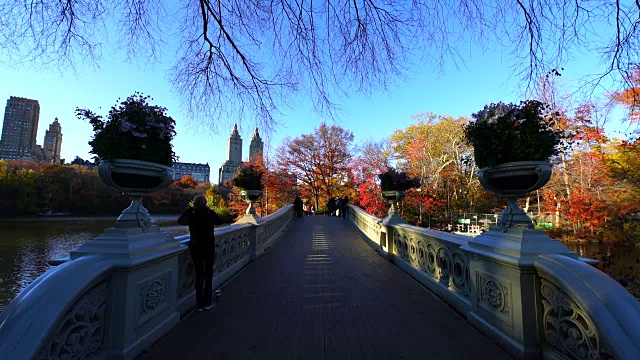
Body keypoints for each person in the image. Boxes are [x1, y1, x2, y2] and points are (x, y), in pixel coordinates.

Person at [178, 195, 223, 312]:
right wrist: (210, 210)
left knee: (199, 276)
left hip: (196, 248)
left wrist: (189, 210)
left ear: (194, 204)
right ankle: (207, 302)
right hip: (208, 247)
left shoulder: (192, 215)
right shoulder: (208, 214)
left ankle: (199, 305)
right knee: (208, 275)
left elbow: (180, 221)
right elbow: (219, 221)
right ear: (205, 203)